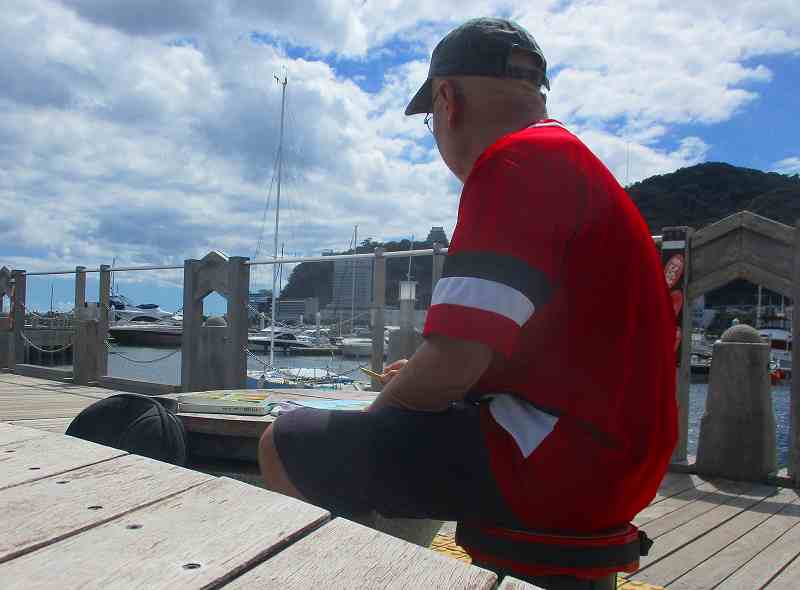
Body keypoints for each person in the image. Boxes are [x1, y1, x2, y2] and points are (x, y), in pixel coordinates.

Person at [258, 15, 677, 570]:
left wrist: (376, 422)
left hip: (564, 461)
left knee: (289, 441)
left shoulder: (514, 165)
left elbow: (452, 361)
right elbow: (545, 354)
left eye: (430, 119)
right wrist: (439, 383)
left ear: (447, 101)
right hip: (619, 458)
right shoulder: (567, 162)